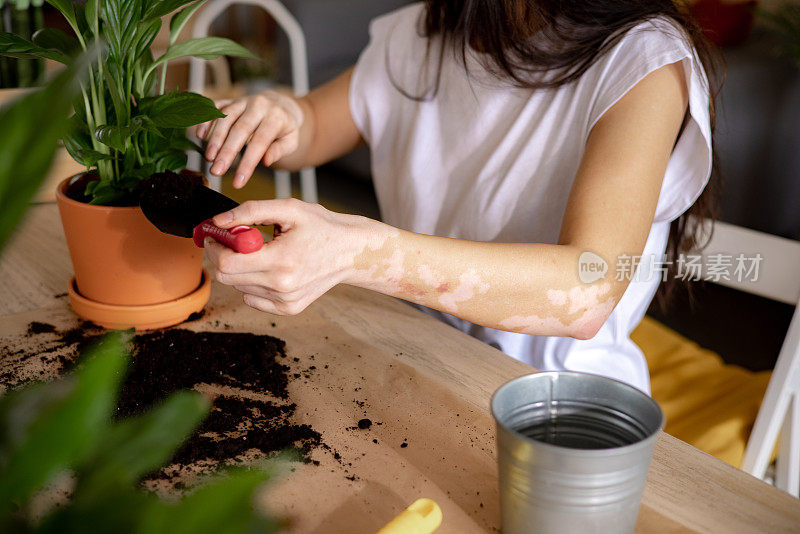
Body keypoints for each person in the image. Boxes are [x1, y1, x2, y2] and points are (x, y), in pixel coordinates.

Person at [195, 1, 719, 394]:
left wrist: (358, 252)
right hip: (424, 355)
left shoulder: (644, 57)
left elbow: (587, 289)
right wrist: (281, 117)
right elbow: (312, 125)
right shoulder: (424, 30)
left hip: (560, 395)